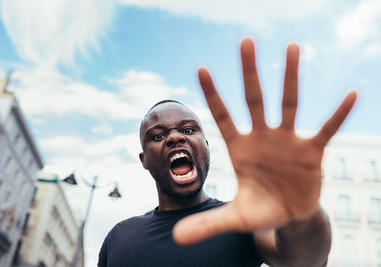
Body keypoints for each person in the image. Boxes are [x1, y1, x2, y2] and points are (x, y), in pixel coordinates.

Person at [98, 38, 357, 267]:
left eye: (188, 130)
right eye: (158, 135)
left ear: (206, 147)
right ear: (144, 160)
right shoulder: (119, 238)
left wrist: (300, 213)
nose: (175, 137)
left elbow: (305, 260)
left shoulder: (244, 222)